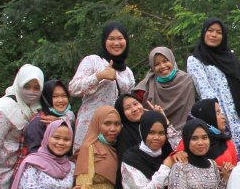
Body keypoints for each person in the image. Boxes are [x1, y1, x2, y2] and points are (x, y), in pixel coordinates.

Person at [185, 18, 240, 156]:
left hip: (239, 112)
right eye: (210, 31)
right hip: (218, 113)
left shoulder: (230, 57)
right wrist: (217, 114)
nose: (214, 35)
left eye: (218, 32)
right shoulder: (195, 60)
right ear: (203, 32)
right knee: (226, 151)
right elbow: (204, 88)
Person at [70, 21, 135, 150]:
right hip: (89, 127)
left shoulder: (128, 73)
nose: (116, 43)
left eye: (120, 38)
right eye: (111, 39)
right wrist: (99, 76)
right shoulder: (93, 61)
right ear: (104, 41)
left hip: (115, 130)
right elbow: (73, 88)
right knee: (85, 165)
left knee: (109, 166)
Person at [133, 47, 195, 146]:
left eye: (166, 61)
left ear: (172, 60)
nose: (162, 66)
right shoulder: (146, 87)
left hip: (185, 136)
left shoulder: (186, 80)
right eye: (157, 64)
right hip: (155, 138)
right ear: (152, 67)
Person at [177, 98, 240, 168]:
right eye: (217, 113)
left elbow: (235, 170)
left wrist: (228, 173)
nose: (223, 117)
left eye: (221, 113)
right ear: (207, 116)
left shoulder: (227, 142)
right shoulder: (187, 142)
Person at [23, 79, 76, 155]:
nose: (60, 100)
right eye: (55, 96)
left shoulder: (68, 119)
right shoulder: (39, 122)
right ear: (46, 99)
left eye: (64, 96)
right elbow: (34, 154)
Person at [113, 91, 149, 157]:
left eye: (135, 104)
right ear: (122, 114)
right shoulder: (124, 134)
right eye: (127, 108)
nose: (134, 109)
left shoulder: (152, 123)